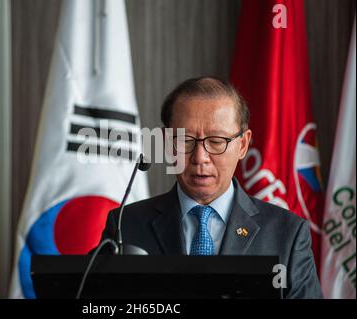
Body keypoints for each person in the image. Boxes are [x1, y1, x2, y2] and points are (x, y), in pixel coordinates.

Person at [98, 76, 323, 299]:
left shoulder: (287, 235)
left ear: (242, 145)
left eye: (216, 142)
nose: (200, 158)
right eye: (185, 140)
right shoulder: (125, 226)